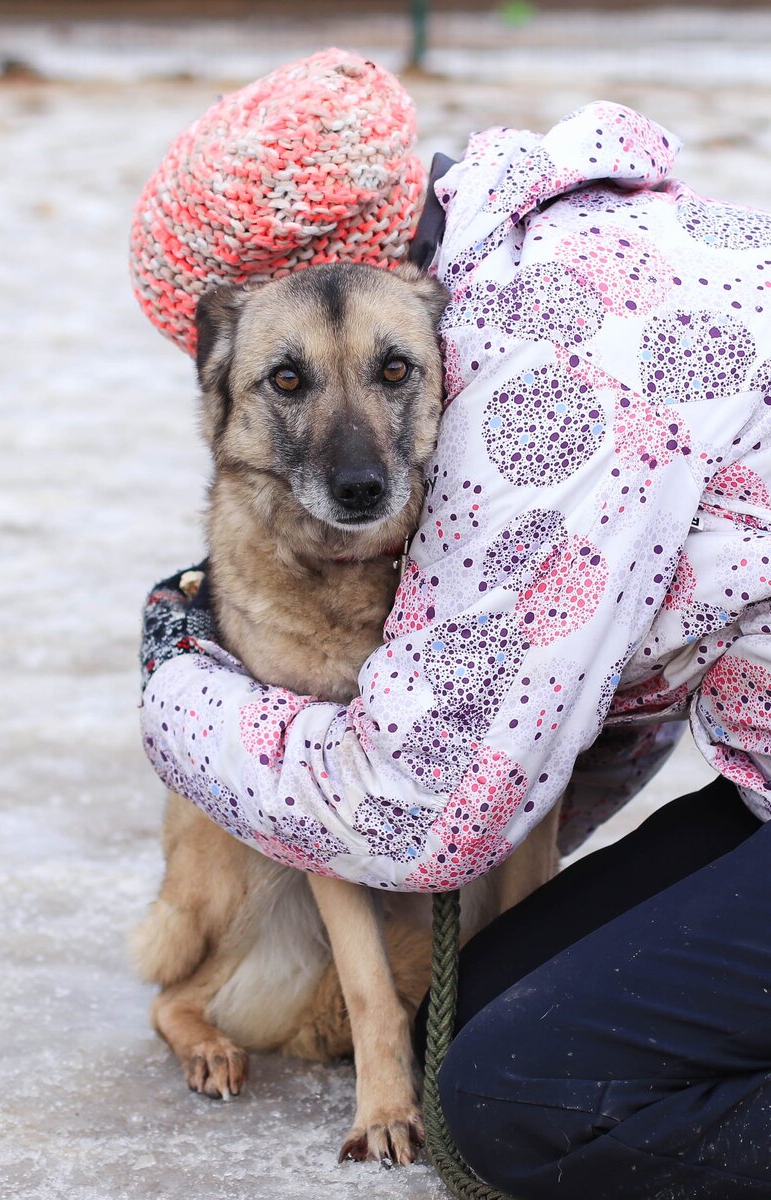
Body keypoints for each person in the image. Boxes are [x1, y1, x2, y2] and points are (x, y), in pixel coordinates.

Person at [131, 50, 771, 1198]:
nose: (340, 430)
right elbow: (587, 710)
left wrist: (177, 680)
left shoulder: (548, 377)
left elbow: (404, 813)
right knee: (492, 990)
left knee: (507, 1099)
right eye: (281, 379)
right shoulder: (541, 253)